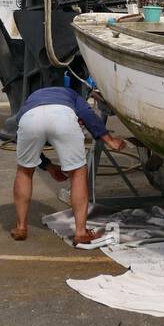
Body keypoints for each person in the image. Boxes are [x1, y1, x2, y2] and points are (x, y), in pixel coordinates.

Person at [11, 86, 126, 246]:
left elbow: (23, 138)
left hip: (29, 120)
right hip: (62, 117)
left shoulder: (30, 101)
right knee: (78, 173)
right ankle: (80, 232)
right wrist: (110, 140)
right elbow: (87, 115)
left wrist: (49, 167)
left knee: (24, 171)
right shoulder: (73, 95)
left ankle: (21, 227)